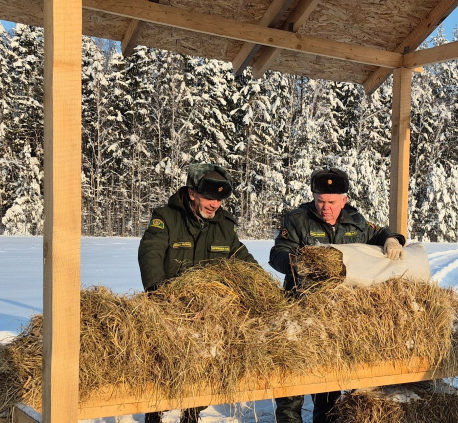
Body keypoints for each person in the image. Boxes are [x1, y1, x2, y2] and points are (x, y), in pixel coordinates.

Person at [268, 167, 406, 423]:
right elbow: (278, 253)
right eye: (320, 201)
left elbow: (378, 232)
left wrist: (392, 239)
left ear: (344, 199)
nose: (325, 208)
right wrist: (296, 264)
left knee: (328, 381)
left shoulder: (355, 221)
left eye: (331, 202)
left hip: (335, 315)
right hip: (300, 309)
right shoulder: (298, 220)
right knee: (291, 379)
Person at [138, 162, 257, 423]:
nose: (215, 204)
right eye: (209, 197)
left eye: (220, 199)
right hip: (169, 307)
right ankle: (154, 412)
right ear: (192, 193)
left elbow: (241, 257)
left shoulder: (224, 225)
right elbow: (151, 252)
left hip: (207, 312)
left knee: (206, 364)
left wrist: (261, 285)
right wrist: (158, 291)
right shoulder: (166, 218)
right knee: (162, 366)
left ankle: (192, 412)